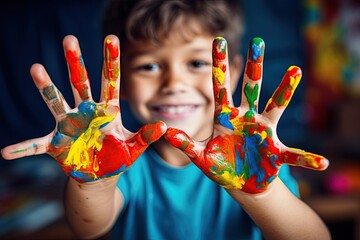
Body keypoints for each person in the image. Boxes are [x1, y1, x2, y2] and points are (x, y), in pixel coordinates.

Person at [1, 0, 331, 239]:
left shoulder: (253, 160)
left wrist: (261, 195)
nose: (174, 84)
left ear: (231, 73)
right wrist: (95, 181)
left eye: (198, 64)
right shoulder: (118, 158)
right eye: (149, 66)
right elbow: (88, 228)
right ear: (121, 81)